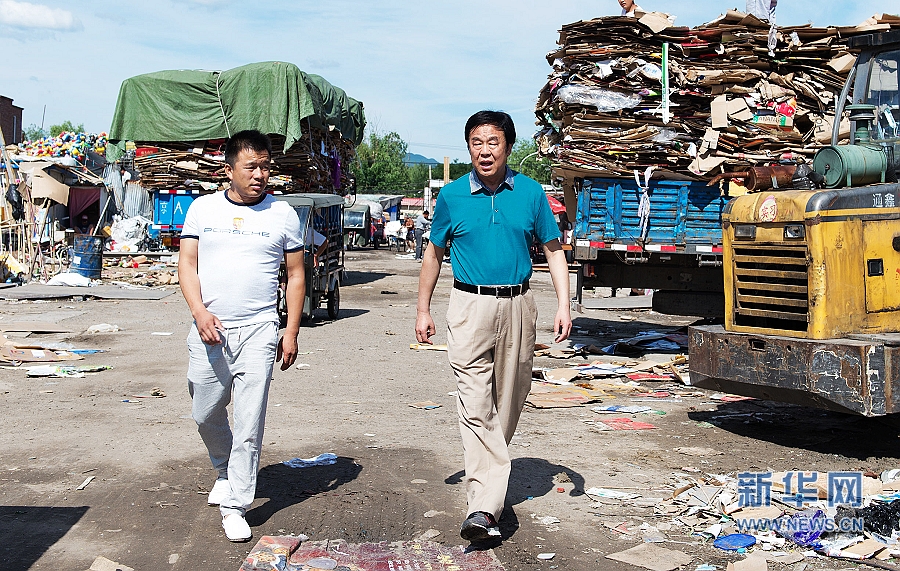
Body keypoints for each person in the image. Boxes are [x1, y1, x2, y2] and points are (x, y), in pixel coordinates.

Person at [415, 111, 572, 542]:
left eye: (493, 141)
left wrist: (564, 304)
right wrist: (423, 308)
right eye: (476, 142)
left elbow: (553, 250)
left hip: (519, 304)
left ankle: (489, 477)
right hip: (469, 306)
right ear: (468, 147)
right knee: (475, 402)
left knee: (509, 400)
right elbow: (433, 254)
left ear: (508, 146)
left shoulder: (531, 193)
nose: (484, 150)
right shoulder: (451, 196)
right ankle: (484, 507)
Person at [178, 129, 305, 543]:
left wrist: (290, 331)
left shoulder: (282, 214)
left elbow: (296, 275)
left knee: (249, 422)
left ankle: (236, 504)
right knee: (205, 411)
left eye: (266, 166)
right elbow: (187, 264)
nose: (260, 174)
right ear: (229, 169)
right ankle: (222, 467)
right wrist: (199, 313)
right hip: (209, 329)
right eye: (251, 167)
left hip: (259, 329)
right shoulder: (203, 210)